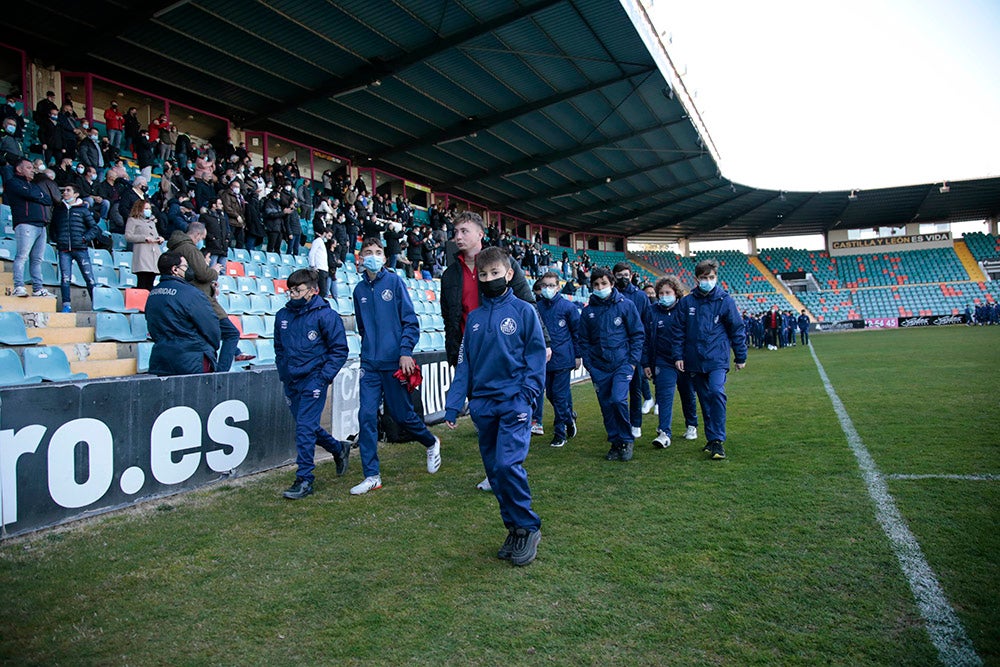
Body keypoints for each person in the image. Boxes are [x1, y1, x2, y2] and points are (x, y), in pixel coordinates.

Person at [444, 247, 546, 566]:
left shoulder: (524, 311)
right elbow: (465, 365)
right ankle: (514, 528)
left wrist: (527, 393)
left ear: (509, 275)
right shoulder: (473, 319)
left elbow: (535, 355)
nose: (489, 279)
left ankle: (528, 527)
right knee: (494, 471)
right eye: (483, 275)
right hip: (483, 406)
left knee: (506, 465)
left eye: (495, 274)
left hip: (514, 403)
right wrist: (453, 404)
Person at [439, 211, 548, 490]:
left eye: (464, 231)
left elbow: (526, 300)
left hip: (506, 350)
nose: (458, 236)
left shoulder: (505, 262)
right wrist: (455, 351)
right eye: (455, 231)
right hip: (473, 350)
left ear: (480, 234)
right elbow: (448, 315)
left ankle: (506, 467)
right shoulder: (451, 273)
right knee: (485, 421)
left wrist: (544, 340)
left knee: (509, 417)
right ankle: (496, 470)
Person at [350, 238, 442, 495]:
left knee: (403, 416)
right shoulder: (358, 291)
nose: (374, 256)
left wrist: (404, 352)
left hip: (394, 363)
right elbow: (362, 326)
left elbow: (410, 322)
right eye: (368, 252)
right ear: (360, 258)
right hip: (369, 364)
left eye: (378, 252)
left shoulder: (394, 282)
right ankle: (372, 475)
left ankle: (430, 441)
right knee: (366, 416)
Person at [274, 268, 351, 500]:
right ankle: (339, 448)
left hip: (314, 379)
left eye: (297, 290)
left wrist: (323, 377)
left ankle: (305, 479)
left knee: (304, 428)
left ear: (312, 290)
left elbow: (339, 350)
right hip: (291, 380)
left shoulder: (326, 316)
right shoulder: (282, 316)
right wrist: (283, 370)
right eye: (290, 291)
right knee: (305, 426)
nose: (293, 295)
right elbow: (279, 348)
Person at [671, 259, 747, 461]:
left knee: (716, 393)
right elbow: (678, 331)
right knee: (705, 400)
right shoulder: (687, 303)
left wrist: (740, 356)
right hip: (694, 359)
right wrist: (678, 355)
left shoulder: (725, 301)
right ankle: (711, 439)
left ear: (716, 278)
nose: (708, 281)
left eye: (711, 277)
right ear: (696, 279)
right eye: (704, 278)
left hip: (717, 359)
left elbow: (736, 329)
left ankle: (718, 440)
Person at [579, 267, 644, 462]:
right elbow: (583, 340)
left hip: (622, 364)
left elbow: (637, 334)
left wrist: (632, 362)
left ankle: (626, 439)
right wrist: (590, 365)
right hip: (599, 367)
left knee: (618, 399)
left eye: (604, 284)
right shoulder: (588, 311)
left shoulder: (626, 306)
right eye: (596, 285)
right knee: (606, 406)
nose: (600, 287)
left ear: (612, 284)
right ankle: (615, 443)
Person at [166, 222, 240, 373]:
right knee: (232, 333)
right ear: (197, 235)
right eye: (202, 238)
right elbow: (203, 274)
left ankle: (233, 356)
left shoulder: (174, 248)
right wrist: (214, 271)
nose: (201, 242)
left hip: (191, 298)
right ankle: (221, 373)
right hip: (202, 300)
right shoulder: (190, 249)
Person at [643, 275, 698, 448]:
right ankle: (664, 432)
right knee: (664, 396)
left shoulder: (685, 309)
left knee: (687, 393)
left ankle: (691, 425)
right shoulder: (651, 311)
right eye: (661, 293)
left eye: (668, 292)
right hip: (662, 360)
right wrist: (645, 363)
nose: (664, 296)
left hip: (684, 360)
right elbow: (644, 338)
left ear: (676, 293)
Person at [146, 253, 221, 376]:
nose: (188, 270)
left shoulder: (153, 293)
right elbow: (211, 327)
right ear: (175, 269)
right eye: (185, 266)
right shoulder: (191, 294)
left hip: (161, 358)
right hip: (191, 359)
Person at [534, 272, 581, 448]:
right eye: (544, 286)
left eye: (551, 285)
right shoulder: (537, 307)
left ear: (558, 286)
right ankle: (568, 418)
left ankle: (559, 433)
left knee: (560, 396)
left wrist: (577, 356)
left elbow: (577, 333)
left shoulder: (568, 307)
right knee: (551, 394)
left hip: (563, 358)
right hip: (544, 360)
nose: (547, 289)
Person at [1, 159, 54, 298]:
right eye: (29, 167)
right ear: (19, 169)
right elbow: (31, 195)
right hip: (25, 224)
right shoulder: (13, 183)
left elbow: (48, 200)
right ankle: (18, 286)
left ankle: (38, 288)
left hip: (41, 226)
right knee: (22, 256)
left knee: (37, 259)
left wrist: (37, 196)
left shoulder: (34, 185)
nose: (33, 170)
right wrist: (37, 196)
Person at [612, 262, 653, 435]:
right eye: (619, 275)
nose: (623, 278)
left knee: (635, 388)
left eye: (626, 275)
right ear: (614, 276)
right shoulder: (609, 295)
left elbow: (646, 325)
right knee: (613, 391)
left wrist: (644, 353)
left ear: (631, 275)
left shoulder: (641, 296)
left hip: (634, 349)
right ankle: (618, 423)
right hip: (614, 350)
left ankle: (636, 423)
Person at [49, 183, 101, 312]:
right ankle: (66, 305)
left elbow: (94, 228)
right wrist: (58, 240)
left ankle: (96, 305)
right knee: (65, 279)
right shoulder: (59, 209)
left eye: (68, 190)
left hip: (81, 249)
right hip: (64, 250)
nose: (65, 192)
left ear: (76, 194)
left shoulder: (83, 209)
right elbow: (53, 227)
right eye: (64, 190)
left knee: (89, 278)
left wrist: (84, 239)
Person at [124, 200, 164, 291]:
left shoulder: (152, 221)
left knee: (150, 283)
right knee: (142, 283)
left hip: (154, 254)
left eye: (149, 208)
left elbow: (155, 235)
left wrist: (159, 239)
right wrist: (144, 238)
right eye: (146, 208)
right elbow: (128, 236)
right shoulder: (133, 220)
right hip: (142, 255)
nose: (148, 210)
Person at [308, 229, 333, 298]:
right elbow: (311, 253)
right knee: (323, 291)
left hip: (324, 269)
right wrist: (312, 265)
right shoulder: (318, 241)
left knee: (324, 291)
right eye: (328, 235)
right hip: (319, 269)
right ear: (324, 233)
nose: (329, 238)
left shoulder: (322, 243)